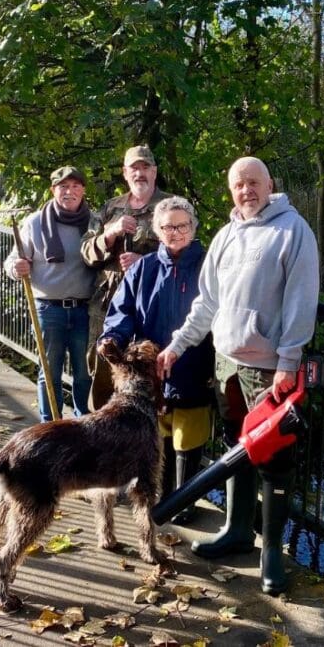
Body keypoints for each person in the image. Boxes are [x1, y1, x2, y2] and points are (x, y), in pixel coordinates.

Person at [157, 156, 319, 594]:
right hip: (226, 361)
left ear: (269, 184)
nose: (245, 191)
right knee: (235, 446)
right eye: (237, 185)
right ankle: (236, 531)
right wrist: (177, 345)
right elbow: (206, 304)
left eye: (253, 182)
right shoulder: (226, 236)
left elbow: (301, 300)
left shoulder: (293, 231)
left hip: (269, 367)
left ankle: (271, 556)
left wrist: (288, 361)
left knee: (273, 457)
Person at [98, 196, 214, 525]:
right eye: (167, 227)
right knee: (153, 435)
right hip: (150, 372)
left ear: (193, 227)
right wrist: (113, 340)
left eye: (181, 225)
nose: (174, 232)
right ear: (157, 230)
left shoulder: (209, 266)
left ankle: (185, 500)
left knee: (188, 436)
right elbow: (121, 312)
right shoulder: (145, 268)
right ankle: (155, 496)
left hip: (194, 365)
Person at [81, 145, 170, 410]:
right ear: (125, 173)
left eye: (145, 168)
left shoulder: (169, 207)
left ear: (154, 172)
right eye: (134, 168)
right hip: (108, 307)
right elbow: (86, 253)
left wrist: (146, 263)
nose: (139, 174)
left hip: (152, 306)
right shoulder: (111, 208)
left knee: (148, 372)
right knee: (102, 368)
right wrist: (110, 234)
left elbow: (184, 253)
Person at [4, 166, 94, 422]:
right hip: (48, 309)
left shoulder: (94, 222)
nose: (70, 192)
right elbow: (13, 260)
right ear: (53, 190)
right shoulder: (35, 222)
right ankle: (50, 424)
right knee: (49, 371)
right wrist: (16, 267)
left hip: (85, 309)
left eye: (75, 186)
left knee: (84, 371)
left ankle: (83, 423)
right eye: (63, 187)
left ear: (83, 190)